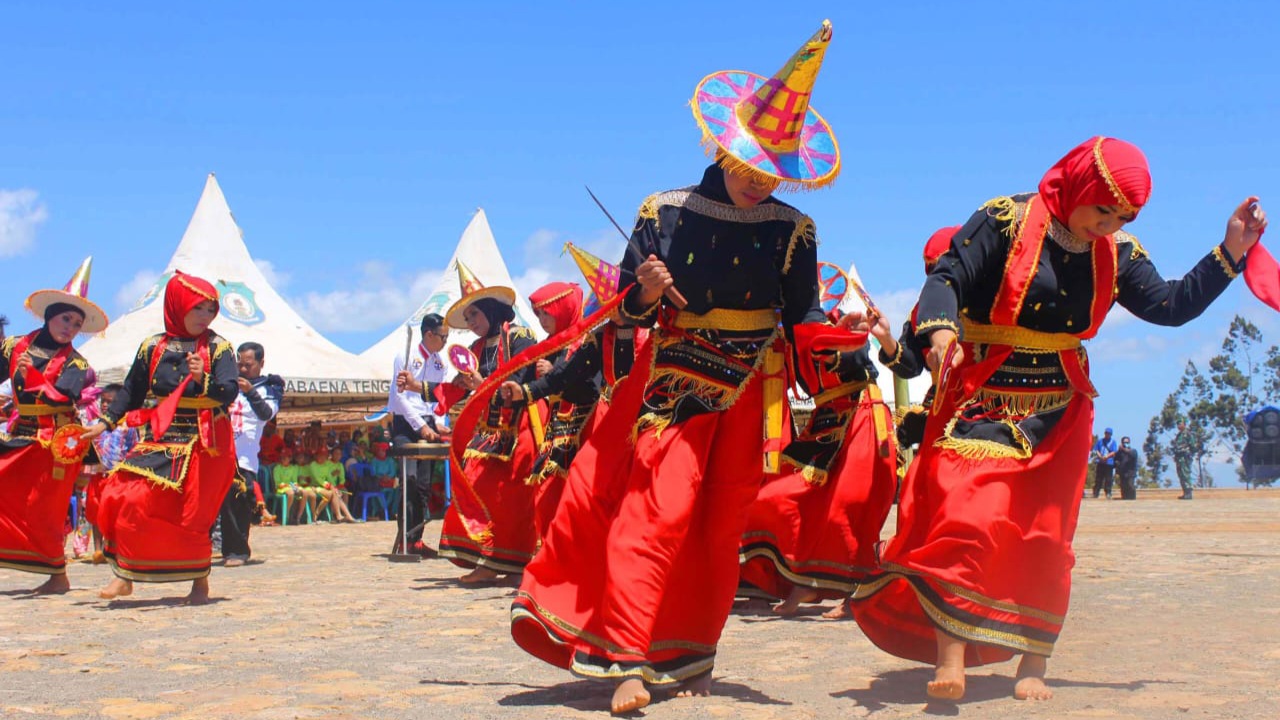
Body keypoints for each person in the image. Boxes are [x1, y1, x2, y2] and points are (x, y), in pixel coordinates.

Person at [509, 22, 861, 714]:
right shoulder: (663, 212)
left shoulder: (795, 231)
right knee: (656, 511)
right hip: (671, 387)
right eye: (748, 165)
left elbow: (803, 320)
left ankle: (691, 653)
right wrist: (642, 289)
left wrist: (844, 350)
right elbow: (625, 318)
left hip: (747, 393)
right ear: (723, 146)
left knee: (717, 528)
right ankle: (630, 657)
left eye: (771, 172)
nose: (759, 181)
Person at [849, 136, 1267, 702]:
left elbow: (1170, 306)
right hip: (983, 396)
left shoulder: (1118, 252)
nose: (1107, 224)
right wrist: (942, 332)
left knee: (1044, 540)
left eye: (1122, 216)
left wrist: (1230, 251)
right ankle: (950, 658)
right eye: (1102, 209)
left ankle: (1033, 666)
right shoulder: (1004, 220)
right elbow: (946, 276)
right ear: (1078, 185)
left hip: (1059, 409)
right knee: (966, 519)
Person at [84, 271, 239, 604]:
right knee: (128, 497)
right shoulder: (152, 347)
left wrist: (204, 379)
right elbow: (132, 391)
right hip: (160, 434)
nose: (205, 317)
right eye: (198, 308)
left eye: (210, 310)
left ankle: (199, 583)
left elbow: (229, 392)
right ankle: (123, 575)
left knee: (192, 514)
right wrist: (105, 422)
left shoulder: (219, 348)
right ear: (177, 305)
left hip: (205, 439)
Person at [0, 258, 106, 594]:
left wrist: (32, 375)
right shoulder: (14, 346)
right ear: (50, 317)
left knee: (46, 509)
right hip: (19, 435)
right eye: (66, 319)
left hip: (55, 443)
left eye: (77, 324)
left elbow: (64, 397)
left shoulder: (76, 362)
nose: (70, 327)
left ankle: (57, 575)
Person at [437, 262, 540, 582]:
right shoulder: (476, 349)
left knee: (512, 499)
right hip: (489, 432)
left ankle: (506, 562)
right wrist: (416, 386)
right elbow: (456, 387)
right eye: (467, 319)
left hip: (521, 427)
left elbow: (522, 380)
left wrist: (483, 382)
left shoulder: (522, 337)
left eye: (474, 316)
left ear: (492, 312)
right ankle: (491, 559)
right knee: (477, 486)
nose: (470, 324)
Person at [494, 281, 587, 539]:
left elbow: (590, 384)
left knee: (576, 495)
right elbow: (534, 383)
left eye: (548, 313)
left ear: (564, 309)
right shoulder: (548, 345)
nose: (543, 319)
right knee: (547, 494)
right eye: (540, 314)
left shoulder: (583, 340)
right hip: (554, 429)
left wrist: (556, 373)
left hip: (585, 428)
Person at [391, 312, 450, 551]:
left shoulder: (440, 363)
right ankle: (404, 537)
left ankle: (417, 539)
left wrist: (436, 421)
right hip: (406, 422)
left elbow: (439, 398)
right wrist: (421, 426)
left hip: (428, 424)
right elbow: (399, 396)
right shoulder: (405, 357)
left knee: (424, 484)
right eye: (442, 337)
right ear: (428, 334)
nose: (445, 341)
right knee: (410, 480)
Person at [221, 341, 283, 566]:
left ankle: (237, 551)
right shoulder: (229, 385)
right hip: (220, 451)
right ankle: (220, 547)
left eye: (248, 364)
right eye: (240, 364)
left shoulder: (269, 387)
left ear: (260, 363)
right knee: (221, 502)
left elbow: (266, 414)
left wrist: (250, 392)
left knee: (238, 500)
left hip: (244, 455)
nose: (243, 369)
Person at [1091, 427, 1119, 499]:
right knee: (1098, 479)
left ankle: (1108, 493)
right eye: (1106, 433)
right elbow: (1096, 449)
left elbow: (1114, 451)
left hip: (1109, 463)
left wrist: (1107, 456)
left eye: (1109, 433)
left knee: (1108, 479)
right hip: (1100, 462)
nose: (1107, 434)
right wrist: (1100, 456)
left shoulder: (1113, 442)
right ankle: (1096, 493)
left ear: (1111, 434)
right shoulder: (1100, 441)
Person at [1172, 420, 1196, 499]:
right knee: (1181, 475)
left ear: (1184, 424)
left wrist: (1189, 454)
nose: (1178, 425)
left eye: (1180, 423)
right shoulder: (1179, 435)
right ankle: (1185, 492)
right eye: (1177, 424)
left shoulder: (1188, 434)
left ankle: (1189, 492)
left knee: (1185, 474)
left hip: (1185, 457)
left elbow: (1193, 446)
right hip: (1179, 458)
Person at [1114, 436, 1138, 500]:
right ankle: (1124, 498)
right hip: (1123, 473)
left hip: (1131, 472)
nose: (1126, 444)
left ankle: (1133, 498)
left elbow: (1132, 455)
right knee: (1123, 487)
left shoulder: (1133, 451)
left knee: (1130, 485)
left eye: (1127, 442)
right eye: (1124, 442)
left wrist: (1124, 449)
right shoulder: (1120, 453)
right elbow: (1116, 460)